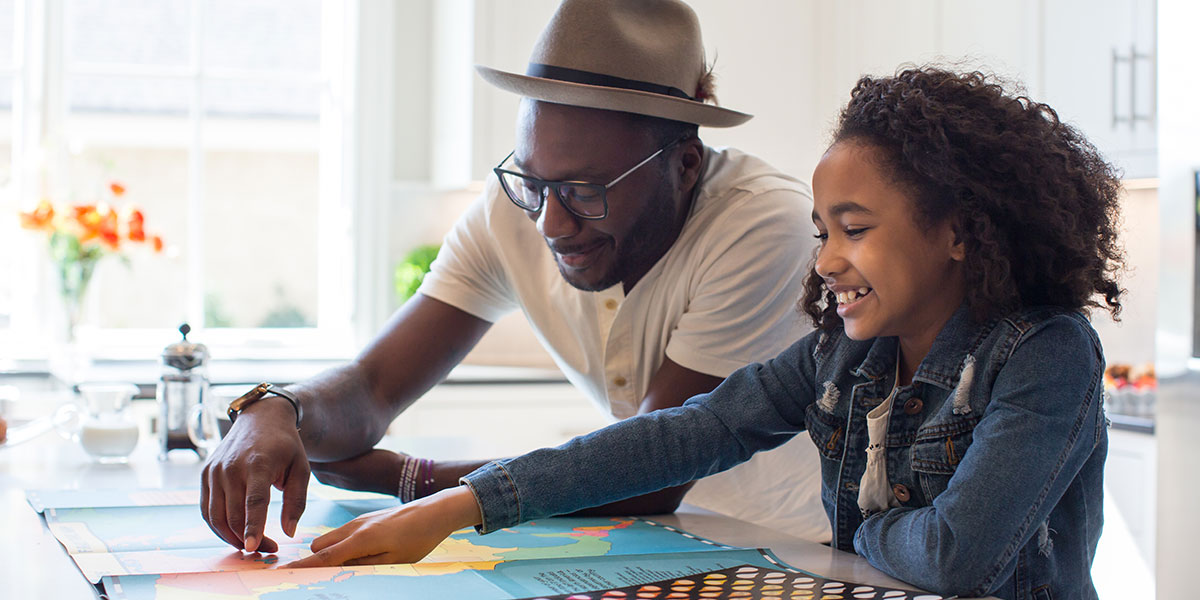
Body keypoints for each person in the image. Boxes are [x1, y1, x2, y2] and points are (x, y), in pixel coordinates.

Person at [285, 67, 1123, 600]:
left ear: (958, 230)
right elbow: (683, 436)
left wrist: (860, 528)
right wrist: (459, 506)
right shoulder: (846, 354)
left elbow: (956, 559)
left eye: (854, 229)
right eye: (822, 230)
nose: (825, 261)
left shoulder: (1045, 354)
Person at [200, 0, 829, 556]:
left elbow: (653, 469)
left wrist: (406, 477)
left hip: (790, 544)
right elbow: (372, 386)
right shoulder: (513, 211)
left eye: (585, 189)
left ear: (685, 165)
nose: (551, 222)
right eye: (533, 181)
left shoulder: (765, 227)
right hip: (647, 540)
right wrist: (278, 409)